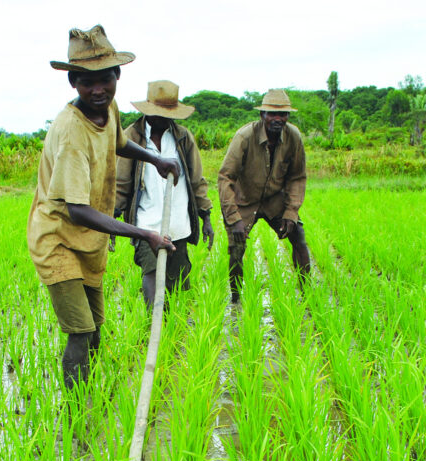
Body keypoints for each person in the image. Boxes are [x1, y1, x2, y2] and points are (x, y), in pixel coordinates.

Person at [28, 25, 179, 391]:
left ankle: (88, 394)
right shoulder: (71, 133)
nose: (97, 89)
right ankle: (77, 414)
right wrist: (143, 233)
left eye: (105, 79)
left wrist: (155, 159)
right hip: (58, 240)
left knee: (96, 331)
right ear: (73, 83)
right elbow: (77, 210)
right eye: (86, 82)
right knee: (80, 333)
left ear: (117, 76)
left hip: (89, 243)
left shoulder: (106, 108)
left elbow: (120, 143)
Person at [115, 80, 213, 309]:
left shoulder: (182, 138)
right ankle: (156, 326)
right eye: (158, 113)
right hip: (147, 223)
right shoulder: (132, 137)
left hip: (177, 222)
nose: (163, 118)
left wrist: (206, 216)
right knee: (151, 274)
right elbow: (121, 183)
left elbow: (197, 180)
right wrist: (113, 216)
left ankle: (173, 334)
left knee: (178, 284)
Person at [218, 89, 309, 303]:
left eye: (283, 114)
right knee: (236, 248)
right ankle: (236, 297)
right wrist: (234, 219)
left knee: (299, 236)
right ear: (262, 115)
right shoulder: (244, 137)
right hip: (244, 199)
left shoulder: (293, 137)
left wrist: (290, 212)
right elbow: (225, 178)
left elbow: (297, 177)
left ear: (288, 116)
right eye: (272, 114)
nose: (278, 119)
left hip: (274, 199)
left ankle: (307, 291)